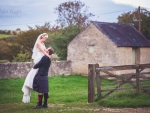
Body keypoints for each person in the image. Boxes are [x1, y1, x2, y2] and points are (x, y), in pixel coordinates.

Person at [22, 33, 51, 103]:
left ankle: (40, 103)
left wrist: (47, 55)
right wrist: (49, 56)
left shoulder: (45, 58)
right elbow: (42, 51)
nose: (46, 41)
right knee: (44, 90)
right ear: (42, 38)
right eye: (46, 39)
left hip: (42, 74)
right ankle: (44, 103)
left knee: (41, 91)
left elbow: (36, 65)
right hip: (41, 62)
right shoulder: (38, 43)